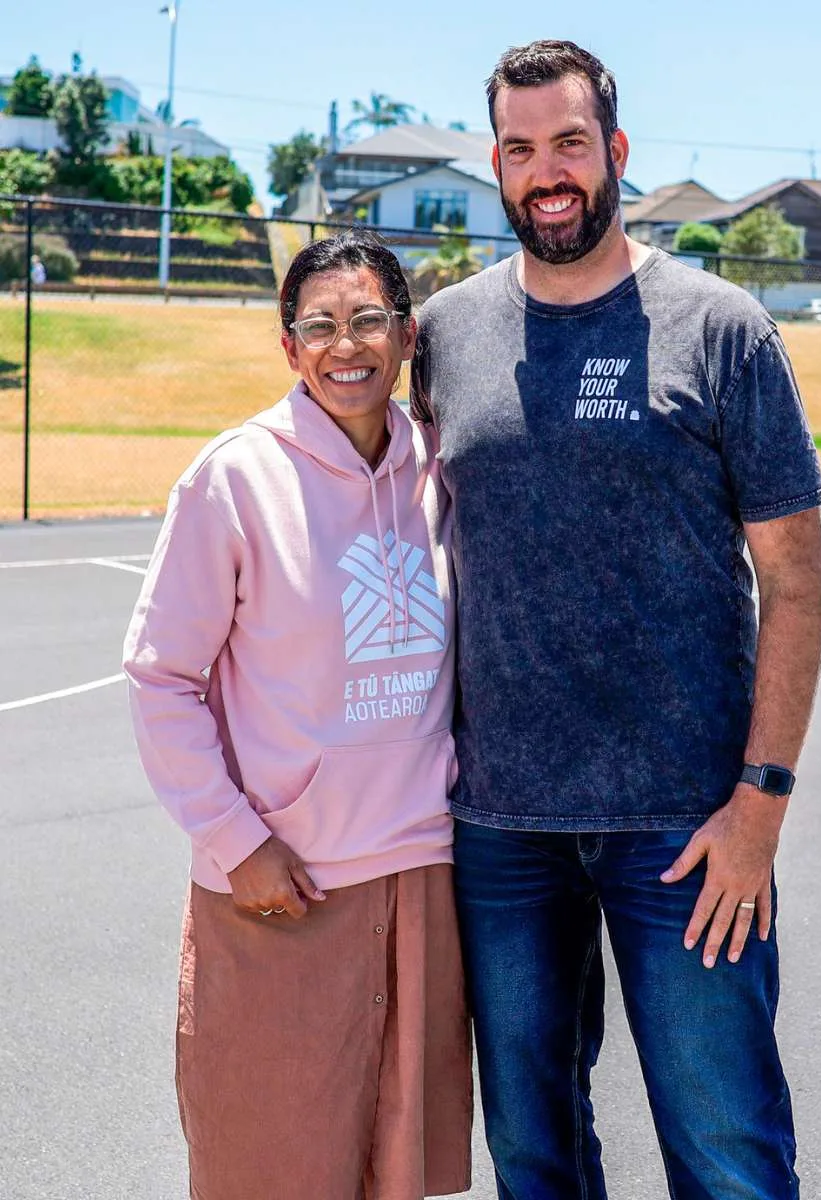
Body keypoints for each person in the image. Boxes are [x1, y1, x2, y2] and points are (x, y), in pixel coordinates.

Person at [408, 40, 821, 1200]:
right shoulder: (443, 336)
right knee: (534, 1159)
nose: (547, 172)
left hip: (688, 832)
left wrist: (762, 803)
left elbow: (795, 577)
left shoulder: (721, 327)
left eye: (570, 144)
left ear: (616, 152)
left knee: (728, 1159)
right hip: (502, 829)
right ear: (496, 164)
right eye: (520, 148)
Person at [122, 230, 470, 1200]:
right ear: (287, 348)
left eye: (366, 320)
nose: (343, 344)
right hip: (280, 890)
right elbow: (160, 677)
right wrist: (237, 843)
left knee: (395, 1170)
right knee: (268, 1166)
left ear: (404, 336)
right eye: (317, 326)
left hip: (421, 882)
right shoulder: (233, 479)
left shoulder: (441, 471)